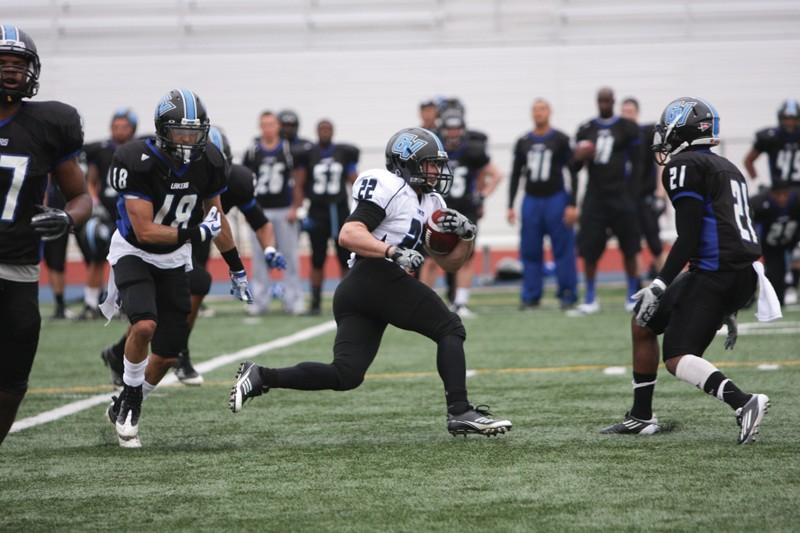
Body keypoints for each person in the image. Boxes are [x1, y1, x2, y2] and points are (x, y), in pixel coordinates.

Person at [228, 127, 512, 437]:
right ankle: (460, 411)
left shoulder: (432, 202)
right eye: (429, 163)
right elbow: (349, 234)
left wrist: (467, 236)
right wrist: (391, 250)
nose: (437, 171)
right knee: (450, 328)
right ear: (405, 163)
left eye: (437, 164)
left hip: (362, 288)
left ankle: (260, 376)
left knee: (346, 374)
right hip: (373, 275)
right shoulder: (390, 186)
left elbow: (450, 262)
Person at [601, 97, 776, 445]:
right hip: (735, 271)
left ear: (681, 129)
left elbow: (690, 235)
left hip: (716, 271)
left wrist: (660, 282)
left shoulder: (684, 165)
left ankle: (744, 403)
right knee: (643, 322)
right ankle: (641, 416)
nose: (663, 139)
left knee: (678, 356)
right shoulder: (726, 166)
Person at [100, 89, 253, 448]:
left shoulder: (211, 160)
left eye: (193, 131)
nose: (187, 139)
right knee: (144, 324)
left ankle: (127, 399)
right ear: (162, 130)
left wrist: (236, 267)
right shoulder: (136, 159)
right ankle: (131, 401)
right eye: (180, 131)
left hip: (175, 259)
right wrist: (194, 231)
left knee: (168, 351)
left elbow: (216, 217)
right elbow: (145, 231)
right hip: (134, 251)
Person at [100, 126, 285, 387]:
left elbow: (258, 221)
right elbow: (145, 225)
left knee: (170, 304)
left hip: (195, 247)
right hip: (164, 241)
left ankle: (126, 352)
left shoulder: (231, 178)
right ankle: (176, 352)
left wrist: (265, 251)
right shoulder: (164, 170)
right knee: (188, 289)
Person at [0, 25, 92, 445]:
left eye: (19, 64)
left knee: (13, 381)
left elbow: (81, 197)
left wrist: (68, 219)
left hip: (18, 269)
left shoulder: (49, 123)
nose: (12, 72)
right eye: (3, 63)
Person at [420, 112, 501, 316]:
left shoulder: (472, 151)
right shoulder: (434, 150)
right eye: (450, 129)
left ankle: (461, 303)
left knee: (466, 256)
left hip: (465, 210)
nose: (453, 134)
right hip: (438, 208)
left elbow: (496, 174)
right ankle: (422, 301)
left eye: (457, 129)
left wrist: (482, 196)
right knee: (430, 258)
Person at [571, 87, 642, 315]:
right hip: (595, 195)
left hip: (620, 194)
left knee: (629, 247)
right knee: (589, 248)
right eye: (600, 100)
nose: (603, 103)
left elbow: (639, 162)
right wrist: (579, 157)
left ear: (613, 101)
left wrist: (633, 193)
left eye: (607, 100)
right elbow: (573, 167)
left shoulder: (626, 127)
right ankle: (590, 296)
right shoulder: (586, 128)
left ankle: (632, 294)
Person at [507, 98, 578, 310]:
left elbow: (573, 172)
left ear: (550, 112)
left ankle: (567, 293)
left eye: (542, 109)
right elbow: (515, 175)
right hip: (531, 200)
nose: (539, 113)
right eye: (535, 110)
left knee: (563, 249)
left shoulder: (561, 139)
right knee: (529, 250)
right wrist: (510, 205)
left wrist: (573, 204)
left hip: (556, 198)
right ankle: (531, 295)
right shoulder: (523, 141)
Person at [78, 107, 138, 319]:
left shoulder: (139, 150)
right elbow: (92, 181)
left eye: (124, 127)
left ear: (133, 128)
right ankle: (90, 303)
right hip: (105, 212)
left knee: (125, 260)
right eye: (115, 126)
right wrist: (95, 203)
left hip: (129, 214)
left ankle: (122, 303)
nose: (119, 130)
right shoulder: (103, 149)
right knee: (96, 257)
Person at [242, 111, 305, 315]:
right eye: (264, 124)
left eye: (271, 124)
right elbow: (244, 181)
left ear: (277, 126)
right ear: (260, 127)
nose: (268, 128)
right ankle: (259, 301)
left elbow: (297, 180)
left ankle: (293, 300)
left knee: (289, 256)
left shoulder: (288, 149)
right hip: (260, 210)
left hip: (284, 209)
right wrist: (247, 208)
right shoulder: (252, 150)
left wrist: (296, 207)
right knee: (259, 257)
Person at [303, 119, 359, 314]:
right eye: (322, 129)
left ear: (333, 132)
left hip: (339, 210)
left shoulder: (343, 152)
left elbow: (355, 180)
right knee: (317, 258)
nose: (325, 132)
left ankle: (350, 299)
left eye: (328, 129)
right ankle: (316, 301)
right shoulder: (310, 154)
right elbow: (301, 180)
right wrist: (300, 206)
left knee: (345, 258)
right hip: (317, 210)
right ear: (317, 131)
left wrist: (360, 203)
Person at [621, 97, 666, 280]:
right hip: (626, 198)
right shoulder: (618, 137)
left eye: (630, 112)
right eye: (624, 112)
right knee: (632, 243)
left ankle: (665, 279)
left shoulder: (646, 133)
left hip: (646, 196)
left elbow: (661, 160)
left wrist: (661, 192)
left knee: (654, 241)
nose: (626, 116)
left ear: (637, 113)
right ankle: (637, 284)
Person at [750, 180, 800, 305]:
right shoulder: (760, 204)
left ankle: (790, 288)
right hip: (767, 244)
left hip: (790, 241)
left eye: (785, 194)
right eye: (778, 195)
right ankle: (750, 298)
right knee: (773, 273)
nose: (782, 198)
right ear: (772, 194)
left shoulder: (796, 201)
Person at [743, 99, 800, 187]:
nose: (790, 123)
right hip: (779, 193)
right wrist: (758, 183)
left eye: (793, 119)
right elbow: (748, 160)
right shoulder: (770, 137)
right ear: (780, 118)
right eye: (786, 119)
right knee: (755, 200)